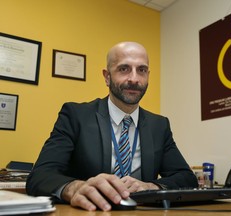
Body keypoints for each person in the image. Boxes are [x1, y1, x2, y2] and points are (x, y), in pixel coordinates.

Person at [26, 41, 198, 211]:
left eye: (142, 70)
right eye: (124, 69)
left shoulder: (159, 125)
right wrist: (75, 188)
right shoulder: (75, 115)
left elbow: (186, 178)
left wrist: (151, 187)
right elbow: (40, 177)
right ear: (107, 77)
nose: (134, 78)